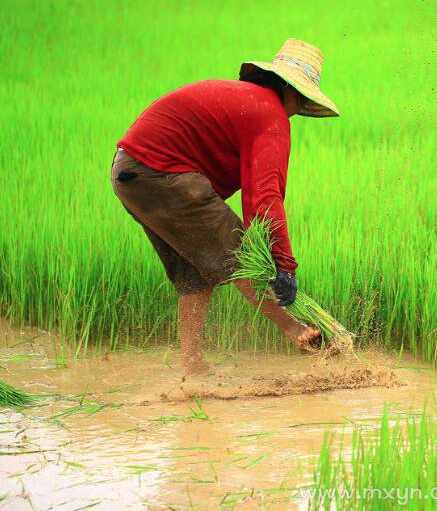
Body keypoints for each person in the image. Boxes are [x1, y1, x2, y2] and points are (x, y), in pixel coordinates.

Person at [111, 38, 339, 376]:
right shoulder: (271, 115)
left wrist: (276, 257)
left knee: (195, 273)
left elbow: (254, 195)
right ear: (296, 91)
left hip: (129, 172)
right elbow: (265, 198)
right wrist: (284, 266)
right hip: (162, 173)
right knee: (243, 255)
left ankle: (191, 366)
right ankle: (295, 329)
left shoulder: (247, 101)